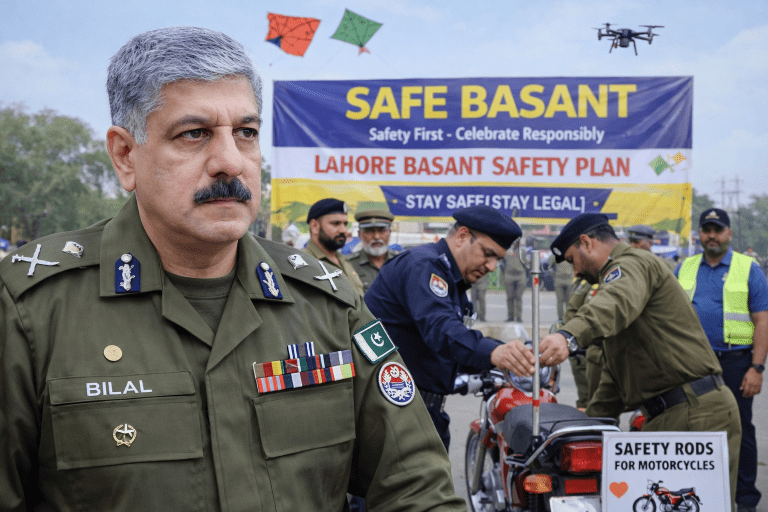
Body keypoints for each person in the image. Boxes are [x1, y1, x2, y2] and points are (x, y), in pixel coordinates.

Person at [0, 27, 466, 512]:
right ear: (124, 156)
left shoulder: (327, 303)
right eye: (194, 134)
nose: (230, 162)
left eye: (245, 133)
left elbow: (418, 485)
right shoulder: (29, 311)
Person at [530, 213, 741, 509]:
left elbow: (616, 301)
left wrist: (569, 336)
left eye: (572, 258)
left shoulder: (631, 265)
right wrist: (590, 424)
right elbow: (615, 378)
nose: (575, 271)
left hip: (695, 414)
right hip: (670, 415)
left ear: (587, 243)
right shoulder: (620, 278)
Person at [365, 206, 529, 450]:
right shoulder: (424, 266)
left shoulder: (453, 280)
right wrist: (494, 352)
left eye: (498, 259)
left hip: (417, 411)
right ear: (462, 236)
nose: (492, 266)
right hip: (395, 414)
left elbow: (441, 346)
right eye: (488, 253)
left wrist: (502, 359)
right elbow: (440, 329)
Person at [676, 208, 768, 512]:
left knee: (740, 428)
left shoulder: (748, 268)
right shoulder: (685, 267)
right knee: (692, 427)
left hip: (736, 362)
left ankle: (745, 499)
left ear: (728, 233)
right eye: (706, 230)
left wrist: (757, 367)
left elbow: (762, 319)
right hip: (694, 363)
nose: (712, 236)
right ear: (699, 234)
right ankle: (699, 494)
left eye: (718, 230)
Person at [302, 198, 365, 296]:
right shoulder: (304, 262)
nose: (343, 230)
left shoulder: (344, 261)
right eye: (336, 223)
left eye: (345, 224)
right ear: (315, 226)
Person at [347, 209, 400, 294]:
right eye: (369, 231)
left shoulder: (402, 262)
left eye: (381, 230)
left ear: (389, 232)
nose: (376, 237)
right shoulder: (348, 264)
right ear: (360, 234)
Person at [503, 242, 527, 322]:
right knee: (510, 297)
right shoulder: (507, 251)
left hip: (520, 275)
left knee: (518, 297)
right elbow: (502, 262)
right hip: (509, 275)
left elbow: (526, 263)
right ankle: (510, 316)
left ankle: (518, 316)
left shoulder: (522, 252)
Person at [547, 253, 573, 322]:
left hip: (569, 280)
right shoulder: (556, 254)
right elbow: (550, 265)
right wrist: (554, 276)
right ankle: (560, 318)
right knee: (560, 300)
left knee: (569, 300)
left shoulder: (570, 251)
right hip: (559, 279)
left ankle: (568, 317)